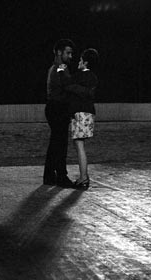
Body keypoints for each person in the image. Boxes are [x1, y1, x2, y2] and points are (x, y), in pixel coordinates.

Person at [59, 48, 99, 189]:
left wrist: (61, 70)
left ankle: (83, 178)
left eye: (81, 60)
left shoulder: (80, 75)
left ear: (85, 63)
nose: (78, 62)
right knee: (81, 145)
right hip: (89, 113)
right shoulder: (93, 77)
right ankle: (84, 177)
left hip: (79, 114)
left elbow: (67, 85)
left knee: (79, 146)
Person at [43, 39, 75, 188]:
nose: (70, 56)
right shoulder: (58, 68)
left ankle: (49, 176)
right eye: (68, 53)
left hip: (54, 108)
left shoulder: (58, 67)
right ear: (59, 53)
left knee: (55, 143)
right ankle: (61, 177)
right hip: (57, 108)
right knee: (60, 144)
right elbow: (68, 87)